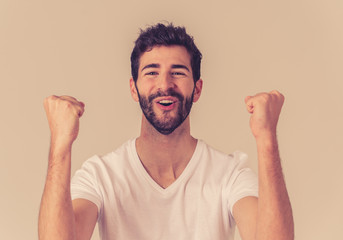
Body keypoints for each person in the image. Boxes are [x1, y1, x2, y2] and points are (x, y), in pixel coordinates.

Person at [38, 23, 294, 240]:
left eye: (178, 72)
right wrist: (61, 143)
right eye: (151, 72)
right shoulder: (101, 175)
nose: (164, 85)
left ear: (197, 89)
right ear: (133, 88)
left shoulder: (229, 174)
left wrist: (267, 138)